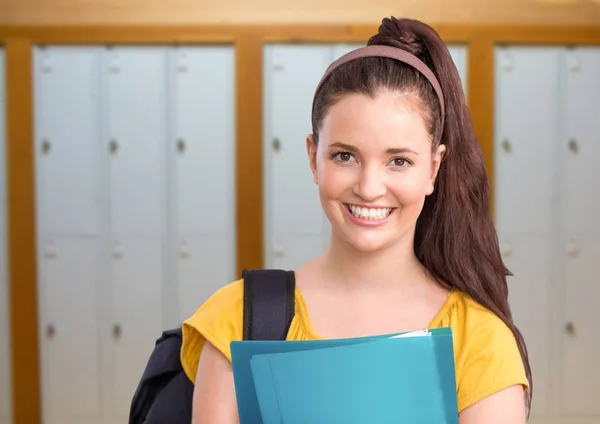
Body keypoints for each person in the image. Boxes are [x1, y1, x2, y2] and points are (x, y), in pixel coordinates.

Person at [180, 16, 532, 424]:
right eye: (344, 156)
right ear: (313, 157)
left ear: (433, 169)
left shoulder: (480, 340)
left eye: (398, 161)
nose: (369, 187)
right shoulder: (236, 317)